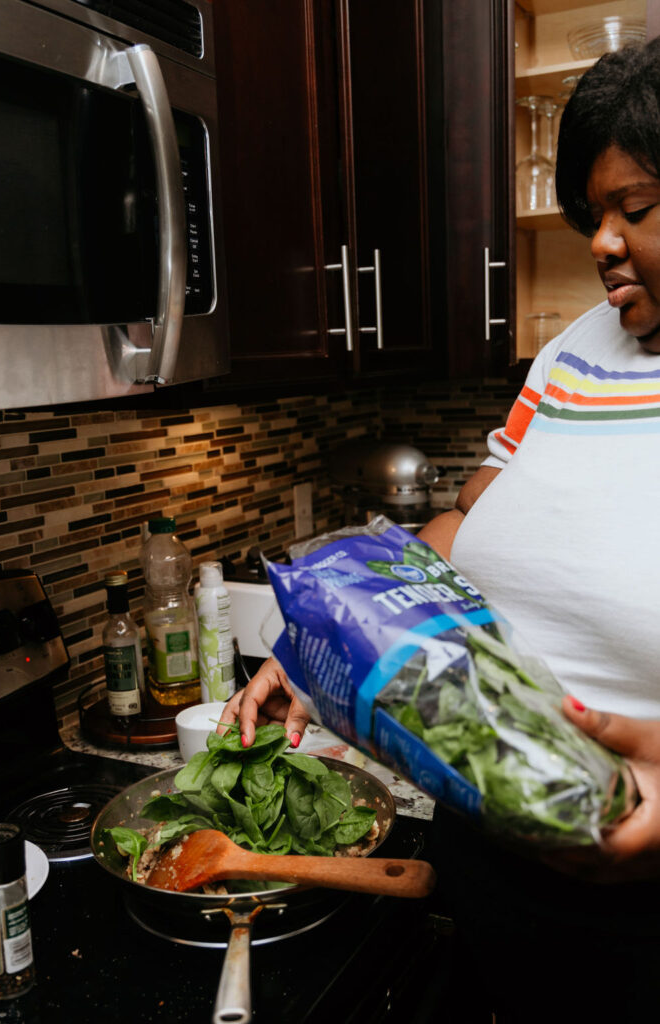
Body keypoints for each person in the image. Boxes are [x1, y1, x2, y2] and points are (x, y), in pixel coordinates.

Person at [219, 40, 660, 1021]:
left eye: (633, 210)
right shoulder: (569, 355)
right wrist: (343, 628)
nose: (601, 242)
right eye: (594, 214)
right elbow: (472, 516)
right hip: (495, 866)